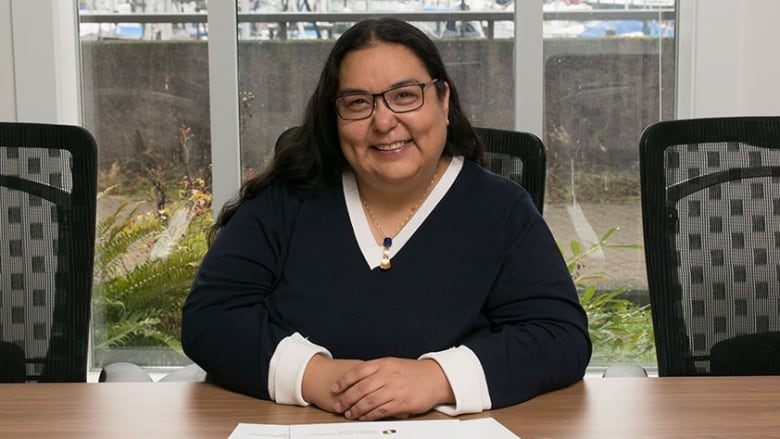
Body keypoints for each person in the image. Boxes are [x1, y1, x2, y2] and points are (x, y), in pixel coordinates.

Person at [181, 17, 591, 421]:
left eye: (405, 95)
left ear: (443, 100)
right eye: (358, 102)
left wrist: (436, 379)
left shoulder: (501, 208)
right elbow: (211, 319)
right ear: (335, 117)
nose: (383, 122)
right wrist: (317, 377)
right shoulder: (284, 201)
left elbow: (559, 337)